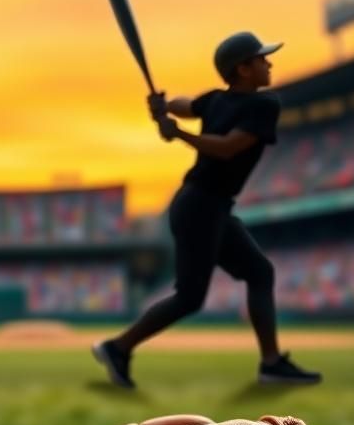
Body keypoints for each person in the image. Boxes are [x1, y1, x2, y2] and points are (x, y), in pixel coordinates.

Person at [93, 31, 321, 388]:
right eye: (262, 58)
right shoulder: (261, 104)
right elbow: (213, 132)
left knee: (259, 273)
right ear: (243, 69)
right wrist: (166, 109)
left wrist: (173, 119)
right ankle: (117, 347)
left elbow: (221, 139)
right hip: (201, 206)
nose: (269, 62)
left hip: (206, 205)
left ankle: (272, 364)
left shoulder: (224, 101)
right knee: (190, 296)